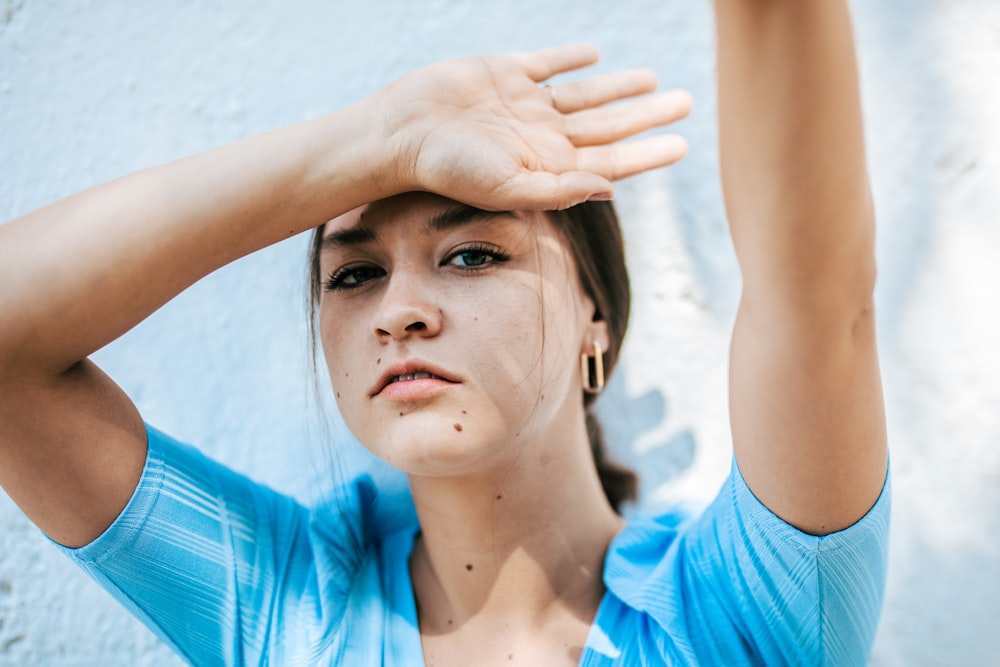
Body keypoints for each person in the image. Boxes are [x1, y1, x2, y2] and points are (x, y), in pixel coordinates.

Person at [0, 1, 889, 665]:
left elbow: (818, 300)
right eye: (353, 274)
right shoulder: (289, 607)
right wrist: (379, 138)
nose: (398, 310)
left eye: (470, 255)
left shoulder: (740, 612)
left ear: (597, 319)